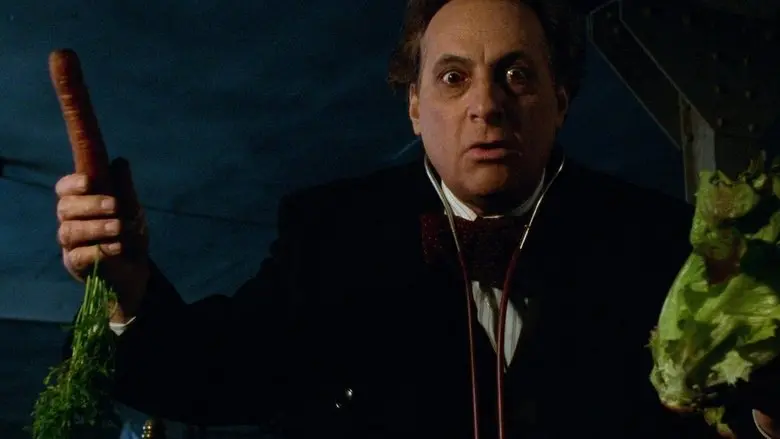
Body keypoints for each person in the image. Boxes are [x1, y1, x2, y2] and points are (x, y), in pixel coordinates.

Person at [53, 0, 779, 438]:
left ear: (561, 100)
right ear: (414, 107)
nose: (486, 104)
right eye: (454, 77)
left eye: (518, 74)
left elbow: (743, 410)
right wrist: (126, 292)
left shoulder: (661, 240)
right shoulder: (330, 234)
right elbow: (210, 377)